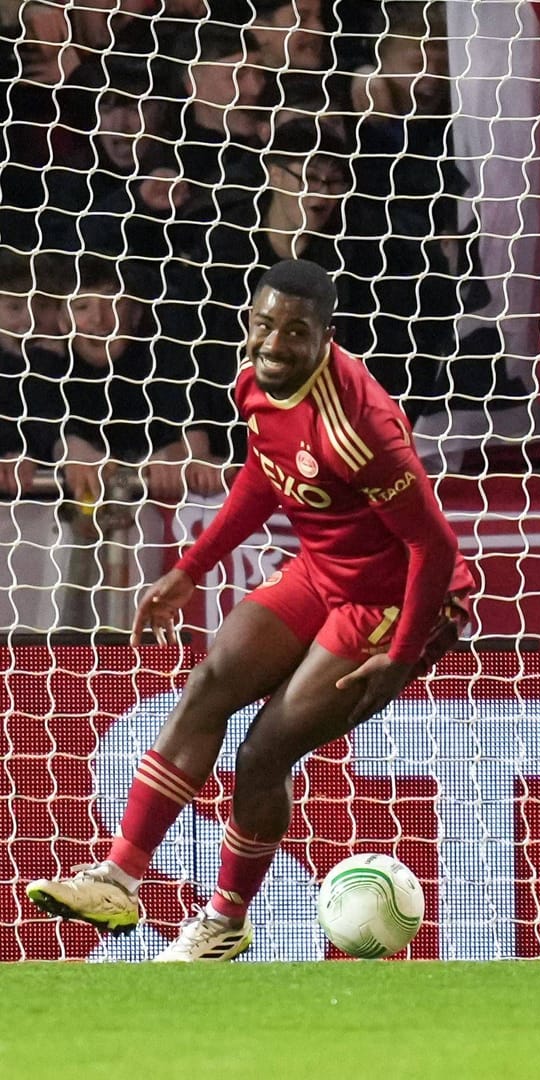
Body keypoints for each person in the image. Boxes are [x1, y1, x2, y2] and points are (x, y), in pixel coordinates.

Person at [25, 259, 475, 961]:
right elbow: (263, 476)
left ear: (326, 337)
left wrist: (402, 654)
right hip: (322, 571)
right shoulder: (254, 380)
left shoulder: (359, 427)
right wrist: (189, 569)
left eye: (294, 332)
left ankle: (223, 922)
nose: (272, 343)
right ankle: (117, 877)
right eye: (264, 324)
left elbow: (436, 546)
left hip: (392, 601)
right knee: (209, 685)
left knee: (263, 754)